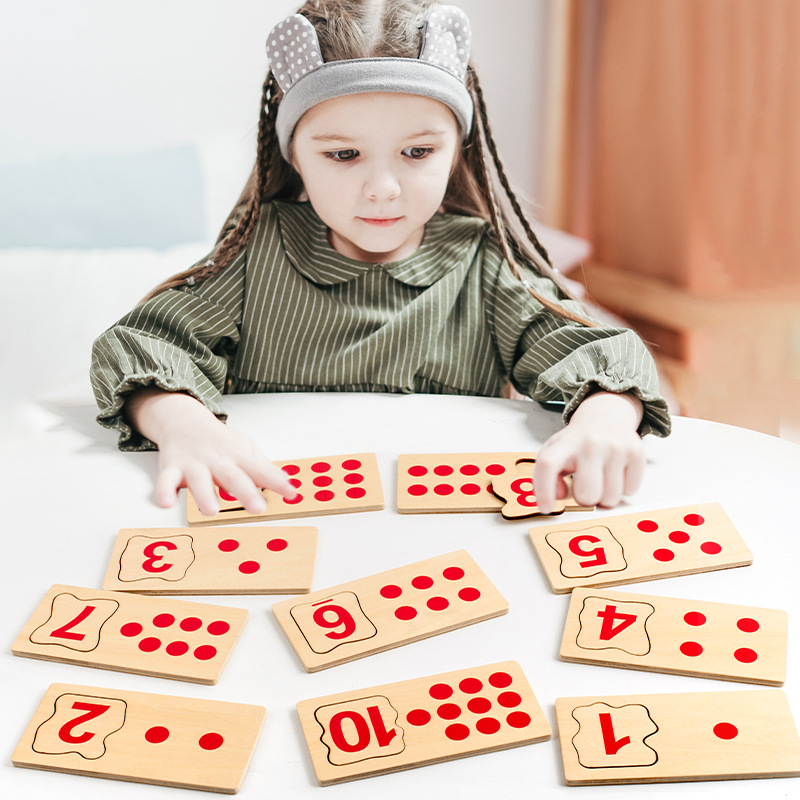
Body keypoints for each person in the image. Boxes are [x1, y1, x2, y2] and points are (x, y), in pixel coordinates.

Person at [91, 0, 670, 519]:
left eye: (417, 152)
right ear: (294, 154)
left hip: (448, 531)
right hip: (272, 518)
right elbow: (140, 348)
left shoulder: (484, 262)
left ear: (457, 149)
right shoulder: (258, 251)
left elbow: (596, 349)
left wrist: (607, 414)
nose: (383, 188)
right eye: (343, 154)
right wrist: (180, 425)